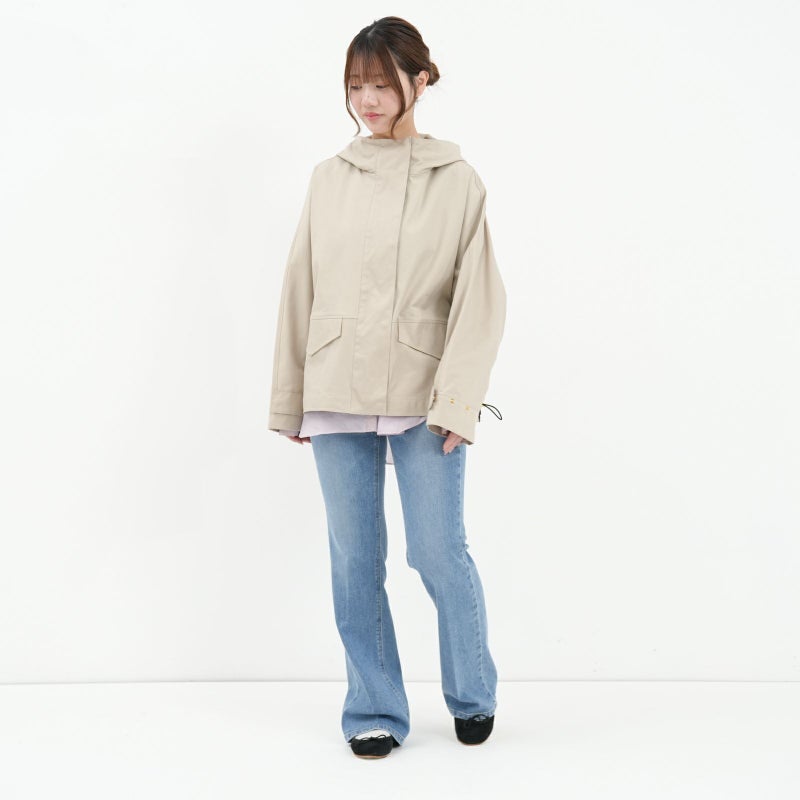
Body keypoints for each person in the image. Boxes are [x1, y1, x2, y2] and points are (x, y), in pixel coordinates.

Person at [268, 16, 507, 759]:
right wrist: (290, 395)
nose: (366, 100)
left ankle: (472, 691)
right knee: (354, 559)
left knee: (437, 551)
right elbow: (300, 284)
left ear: (419, 81)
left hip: (424, 392)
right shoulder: (328, 177)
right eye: (355, 85)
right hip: (335, 384)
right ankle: (373, 707)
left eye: (380, 83)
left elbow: (479, 300)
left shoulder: (456, 181)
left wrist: (459, 402)